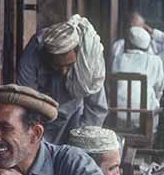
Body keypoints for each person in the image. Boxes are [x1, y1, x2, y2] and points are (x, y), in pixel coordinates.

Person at [17, 14, 108, 144]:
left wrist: (82, 140)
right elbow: (26, 98)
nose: (64, 72)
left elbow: (96, 109)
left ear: (77, 52)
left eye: (69, 65)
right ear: (47, 55)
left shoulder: (87, 59)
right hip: (41, 117)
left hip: (74, 117)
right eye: (57, 66)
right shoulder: (35, 50)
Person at [111, 10, 164, 88]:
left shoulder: (154, 41)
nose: (144, 29)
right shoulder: (121, 46)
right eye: (140, 27)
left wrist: (153, 32)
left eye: (144, 26)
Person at [110, 25, 164, 133]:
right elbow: (159, 89)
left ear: (128, 43)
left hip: (118, 117)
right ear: (147, 46)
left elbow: (111, 88)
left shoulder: (117, 59)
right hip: (145, 121)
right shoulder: (155, 61)